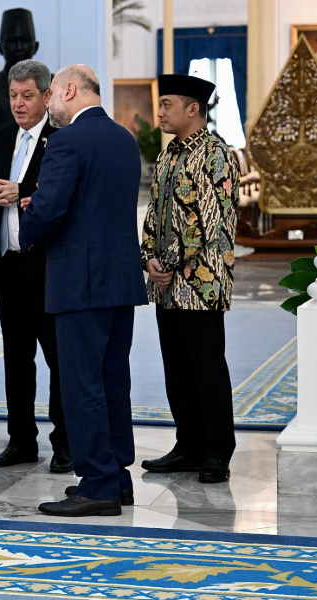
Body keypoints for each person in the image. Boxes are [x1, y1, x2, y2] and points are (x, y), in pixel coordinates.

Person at [18, 65, 148, 517]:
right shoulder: (123, 139)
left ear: (69, 89)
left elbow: (48, 208)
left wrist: (27, 220)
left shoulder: (68, 140)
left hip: (80, 281)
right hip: (120, 279)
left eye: (51, 92)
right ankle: (118, 475)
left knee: (81, 384)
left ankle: (97, 485)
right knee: (113, 380)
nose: (49, 101)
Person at [139, 74, 240, 485]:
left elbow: (210, 224)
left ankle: (217, 451)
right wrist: (149, 258)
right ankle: (188, 445)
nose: (159, 112)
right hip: (166, 284)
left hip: (201, 282)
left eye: (166, 104)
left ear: (193, 108)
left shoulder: (216, 154)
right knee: (176, 367)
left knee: (206, 367)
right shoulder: (168, 155)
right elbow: (152, 213)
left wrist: (169, 261)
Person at [0, 59, 70, 473]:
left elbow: (61, 195)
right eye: (13, 95)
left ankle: (64, 443)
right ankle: (21, 441)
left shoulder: (62, 140)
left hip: (47, 268)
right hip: (8, 267)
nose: (18, 103)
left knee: (58, 361)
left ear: (46, 97)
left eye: (27, 95)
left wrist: (22, 191)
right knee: (16, 359)